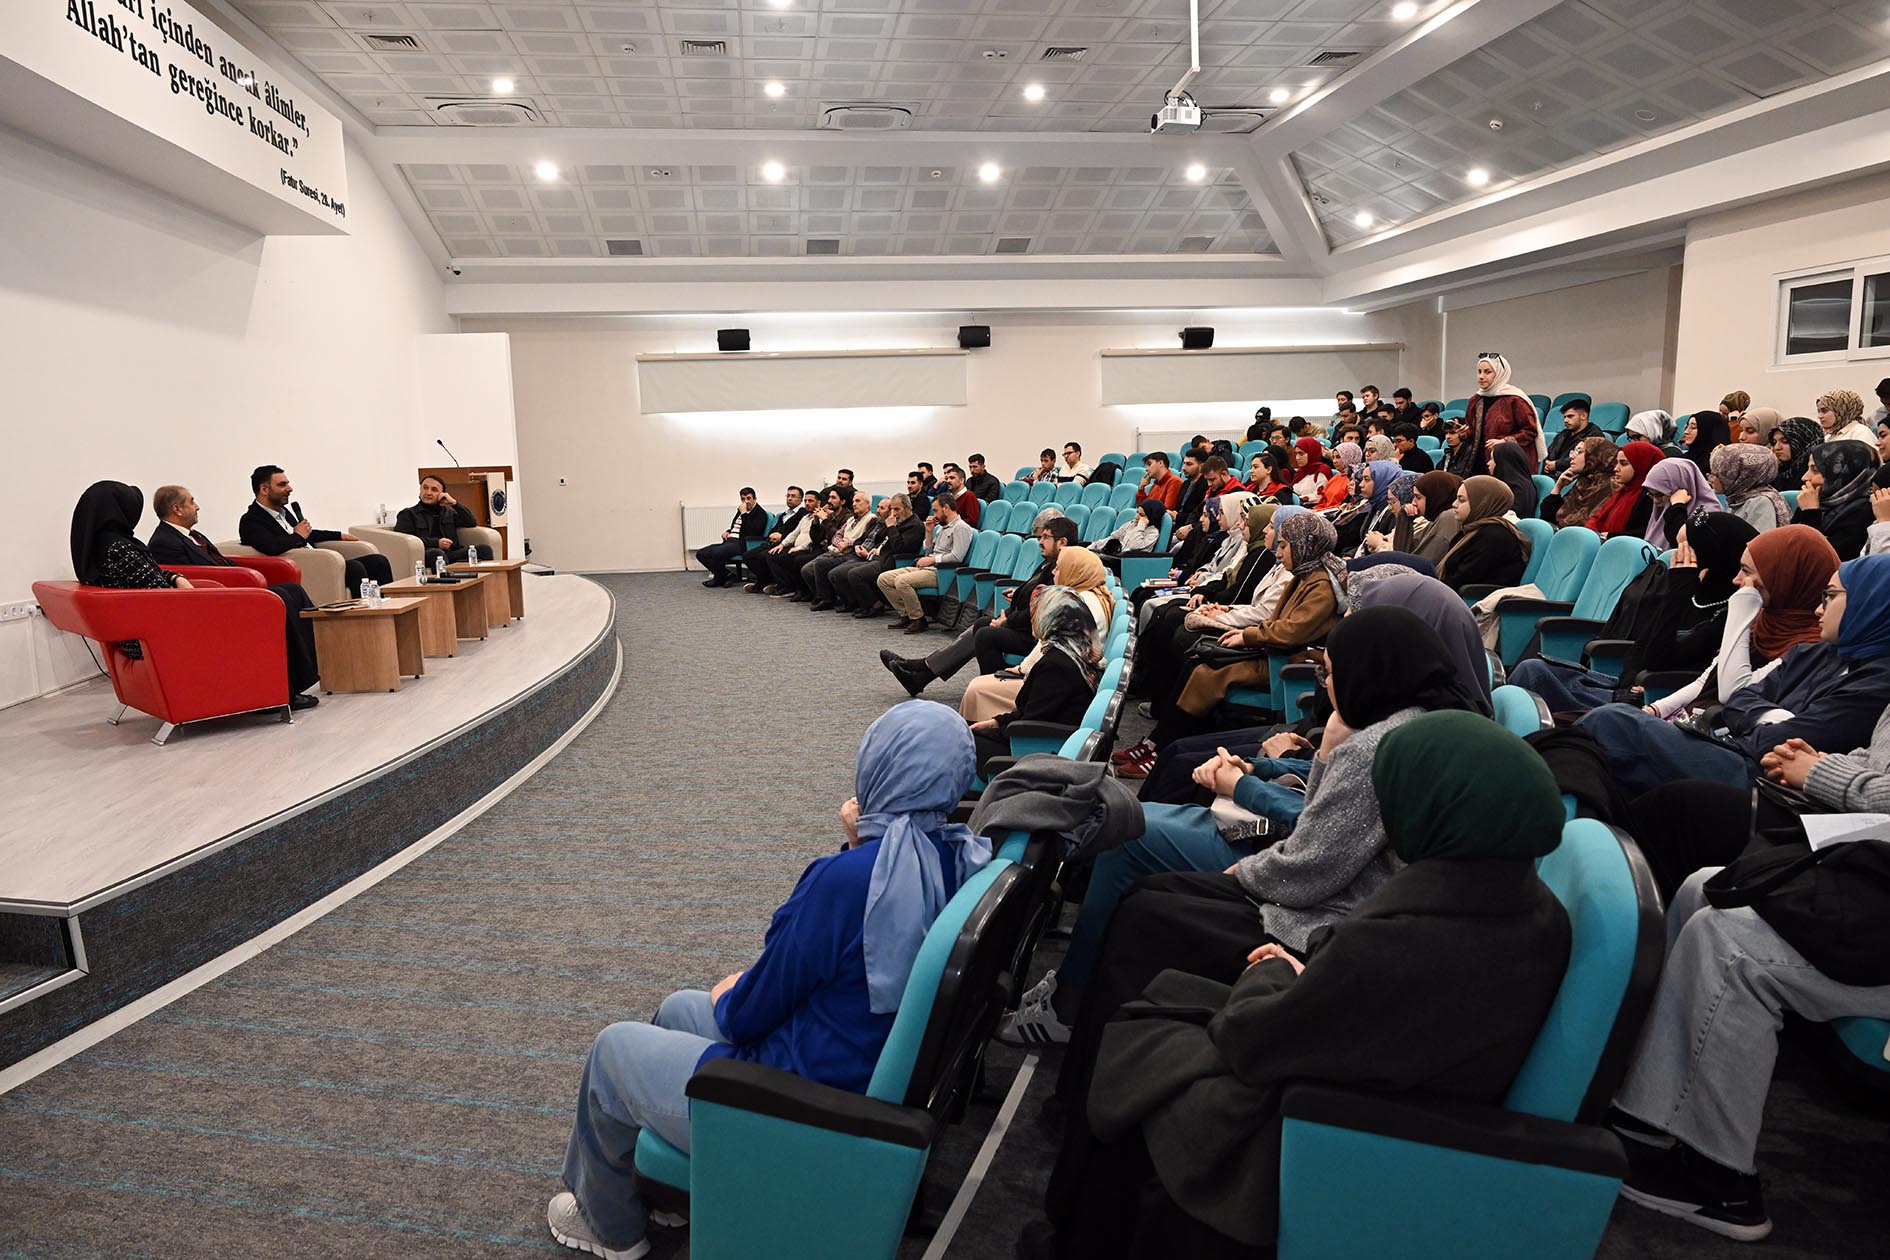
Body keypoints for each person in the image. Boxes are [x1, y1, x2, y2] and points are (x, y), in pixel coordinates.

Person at [1021, 711, 1570, 1260]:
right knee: (1166, 992)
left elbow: (1251, 1042)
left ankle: (1075, 1239)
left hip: (1328, 1122)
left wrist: (1275, 970)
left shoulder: (1405, 934)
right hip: (1390, 1092)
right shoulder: (1533, 907)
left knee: (1139, 1033)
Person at [548, 701, 988, 1260]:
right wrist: (862, 844)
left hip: (799, 1099)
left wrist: (731, 993)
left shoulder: (848, 881)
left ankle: (608, 1227)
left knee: (614, 1050)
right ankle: (676, 1189)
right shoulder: (956, 857)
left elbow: (748, 1013)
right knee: (677, 1008)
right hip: (856, 1064)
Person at [1020, 605, 1484, 1045]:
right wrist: (1263, 772)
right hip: (1313, 863)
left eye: (1330, 672)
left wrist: (1254, 792)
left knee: (1131, 835)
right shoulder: (1411, 720)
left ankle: (1069, 1005)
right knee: (1143, 816)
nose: (1324, 684)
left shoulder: (1378, 745)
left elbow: (1314, 856)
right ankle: (1073, 983)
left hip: (1322, 896)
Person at [1611, 705, 1890, 1241]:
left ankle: (1719, 1181)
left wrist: (1823, 774)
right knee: (1704, 885)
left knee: (1732, 942)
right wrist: (1818, 760)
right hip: (1873, 867)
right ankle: (1646, 1108)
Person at [1575, 554, 1890, 797]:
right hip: (1724, 741)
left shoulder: (1878, 680)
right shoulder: (1816, 652)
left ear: (1870, 604)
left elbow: (1771, 733)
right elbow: (1738, 698)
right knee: (1548, 683)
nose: (1739, 582)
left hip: (1759, 776)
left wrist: (1741, 610)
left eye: (1830, 597)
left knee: (1610, 723)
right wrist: (1777, 716)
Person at [1509, 512, 1757, 715]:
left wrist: (1677, 593)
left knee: (1537, 682)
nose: (1677, 557)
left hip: (1656, 700)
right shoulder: (1693, 588)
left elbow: (1658, 658)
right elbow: (1639, 647)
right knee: (1532, 669)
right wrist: (1629, 681)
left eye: (1686, 549)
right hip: (1626, 689)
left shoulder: (1728, 610)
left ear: (1711, 553)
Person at [1145, 512, 1344, 751]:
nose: (1278, 553)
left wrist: (1246, 635)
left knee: (1205, 672)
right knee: (1196, 659)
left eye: (1283, 546)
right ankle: (1162, 741)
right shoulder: (1305, 574)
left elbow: (1292, 631)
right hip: (1272, 651)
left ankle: (1165, 746)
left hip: (1282, 662)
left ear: (1304, 546)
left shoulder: (1320, 586)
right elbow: (1276, 620)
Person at [145, 484, 322, 704]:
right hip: (219, 601)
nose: (197, 506)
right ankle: (289, 687)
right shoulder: (164, 542)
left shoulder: (193, 535)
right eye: (191, 501)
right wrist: (240, 579)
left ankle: (317, 662)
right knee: (281, 598)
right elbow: (188, 579)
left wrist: (243, 573)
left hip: (233, 590)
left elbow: (221, 563)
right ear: (177, 509)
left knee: (292, 589)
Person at [880, 513, 1080, 694]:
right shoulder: (1050, 562)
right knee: (982, 624)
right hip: (1024, 624)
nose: (1040, 542)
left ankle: (991, 690)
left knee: (986, 634)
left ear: (1062, 542)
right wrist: (1015, 599)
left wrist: (1006, 621)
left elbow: (1042, 609)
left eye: (1045, 537)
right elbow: (1033, 594)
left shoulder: (1063, 568)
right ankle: (922, 674)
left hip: (1037, 636)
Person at [959, 547, 1114, 724]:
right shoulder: (1084, 596)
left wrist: (1023, 668)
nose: (1054, 571)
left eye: (1059, 567)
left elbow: (1053, 646)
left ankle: (972, 735)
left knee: (977, 689)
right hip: (1062, 676)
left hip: (1058, 683)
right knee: (983, 636)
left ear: (1074, 570)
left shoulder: (1077, 604)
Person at [967, 588, 1100, 775]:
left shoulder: (1056, 666)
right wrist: (996, 722)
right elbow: (1032, 714)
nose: (1032, 619)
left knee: (951, 739)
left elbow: (1030, 725)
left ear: (1052, 619)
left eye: (1036, 613)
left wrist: (992, 730)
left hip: (1033, 755)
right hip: (1040, 743)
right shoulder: (1077, 650)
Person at [239, 466, 393, 597]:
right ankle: (366, 620)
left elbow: (307, 533)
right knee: (354, 568)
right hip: (305, 568)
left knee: (379, 561)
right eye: (282, 485)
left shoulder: (283, 512)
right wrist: (297, 536)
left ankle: (390, 608)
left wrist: (338, 535)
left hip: (319, 561)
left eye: (288, 484)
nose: (290, 489)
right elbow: (271, 546)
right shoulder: (251, 521)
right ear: (264, 489)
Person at [876, 492, 972, 634]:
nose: (934, 514)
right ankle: (907, 615)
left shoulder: (961, 528)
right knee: (883, 579)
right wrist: (929, 533)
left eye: (936, 510)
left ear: (946, 508)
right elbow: (928, 552)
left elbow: (957, 556)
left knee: (901, 581)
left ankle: (918, 619)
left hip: (941, 572)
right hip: (928, 568)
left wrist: (933, 560)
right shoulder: (941, 527)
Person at [1452, 354, 1540, 478]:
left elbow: (1530, 431)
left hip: (1507, 464)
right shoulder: (1475, 400)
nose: (1481, 376)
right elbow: (1473, 432)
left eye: (1487, 372)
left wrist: (1504, 442)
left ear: (1499, 374)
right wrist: (1463, 433)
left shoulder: (1515, 399)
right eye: (1479, 372)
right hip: (1478, 463)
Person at [837, 494, 924, 617]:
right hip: (880, 557)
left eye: (897, 509)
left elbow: (900, 548)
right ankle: (864, 604)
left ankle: (874, 605)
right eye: (892, 509)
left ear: (908, 508)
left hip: (894, 562)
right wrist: (877, 549)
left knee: (855, 574)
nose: (893, 513)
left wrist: (891, 528)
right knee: (846, 571)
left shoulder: (914, 525)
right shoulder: (899, 521)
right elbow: (881, 540)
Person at [1437, 476, 1528, 592]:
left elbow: (1461, 580)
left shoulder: (1494, 538)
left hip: (1472, 601)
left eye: (1461, 500)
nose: (1454, 504)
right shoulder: (1473, 529)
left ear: (1482, 503)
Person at [1793, 439, 1881, 559]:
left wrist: (1810, 512)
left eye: (1815, 470)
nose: (1805, 477)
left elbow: (1820, 558)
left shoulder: (1863, 512)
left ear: (1843, 474)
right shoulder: (1819, 501)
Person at [805, 490, 878, 610]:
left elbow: (863, 539)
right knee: (816, 565)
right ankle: (825, 598)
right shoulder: (851, 520)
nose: (854, 504)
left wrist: (847, 543)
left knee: (824, 566)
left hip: (852, 553)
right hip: (838, 550)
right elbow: (836, 536)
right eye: (853, 501)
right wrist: (841, 544)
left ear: (868, 504)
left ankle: (838, 600)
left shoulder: (871, 519)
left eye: (858, 501)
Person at [765, 488, 841, 599]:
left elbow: (814, 539)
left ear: (818, 502)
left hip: (810, 548)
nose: (807, 503)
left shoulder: (822, 516)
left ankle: (799, 589)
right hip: (797, 547)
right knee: (772, 554)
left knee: (794, 558)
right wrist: (782, 544)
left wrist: (799, 547)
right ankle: (785, 585)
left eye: (810, 501)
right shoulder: (805, 517)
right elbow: (794, 533)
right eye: (805, 501)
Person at [1586, 440, 1664, 539]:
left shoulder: (1652, 496)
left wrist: (1610, 536)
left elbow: (1650, 531)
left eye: (1623, 463)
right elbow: (1598, 518)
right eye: (1617, 463)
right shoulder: (1624, 491)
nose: (1616, 468)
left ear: (1641, 465)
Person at [1642, 457, 1723, 549]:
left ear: (1682, 487)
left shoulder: (1709, 513)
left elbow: (1681, 544)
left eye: (1659, 494)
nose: (1655, 501)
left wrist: (1677, 506)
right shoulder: (1663, 508)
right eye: (1651, 494)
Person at [694, 486, 768, 587]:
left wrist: (744, 513)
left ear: (755, 499)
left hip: (742, 543)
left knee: (717, 553)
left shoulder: (760, 513)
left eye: (749, 498)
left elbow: (752, 531)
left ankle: (719, 579)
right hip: (730, 540)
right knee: (701, 553)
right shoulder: (741, 511)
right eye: (743, 499)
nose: (746, 501)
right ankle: (727, 575)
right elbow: (736, 526)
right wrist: (728, 531)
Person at [1541, 434, 1621, 528]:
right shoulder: (1584, 482)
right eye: (1573, 451)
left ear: (1594, 457)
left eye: (1579, 452)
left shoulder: (1613, 488)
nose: (1571, 457)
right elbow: (1547, 519)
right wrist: (1558, 488)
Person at [1709, 443, 1788, 532]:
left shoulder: (1761, 504)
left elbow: (1760, 543)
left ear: (1738, 475)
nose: (1711, 479)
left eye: (1717, 474)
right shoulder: (1736, 497)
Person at [740, 487, 806, 590]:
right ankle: (764, 580)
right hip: (772, 543)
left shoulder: (802, 513)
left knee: (764, 556)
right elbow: (774, 529)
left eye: (793, 496)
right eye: (788, 495)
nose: (789, 498)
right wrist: (772, 535)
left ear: (801, 500)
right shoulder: (784, 515)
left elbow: (797, 531)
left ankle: (783, 585)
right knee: (748, 556)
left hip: (788, 543)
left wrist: (781, 536)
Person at [1769, 416, 1822, 491]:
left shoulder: (1816, 476)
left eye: (1785, 441)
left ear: (1803, 441)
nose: (1777, 447)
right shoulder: (1777, 471)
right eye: (1774, 442)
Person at [1490, 441, 1540, 520]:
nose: (1488, 463)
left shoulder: (1519, 491)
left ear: (1503, 463)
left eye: (1492, 459)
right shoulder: (1507, 485)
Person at [1543, 397, 1593, 475]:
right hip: (1552, 475)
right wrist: (1546, 463)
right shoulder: (1563, 434)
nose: (1565, 420)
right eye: (1565, 417)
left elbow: (1585, 461)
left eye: (1570, 416)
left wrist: (1556, 465)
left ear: (1583, 416)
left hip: (1573, 478)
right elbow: (1548, 453)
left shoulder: (1594, 436)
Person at [1680, 410, 1732, 476]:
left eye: (1693, 427)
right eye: (1687, 427)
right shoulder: (1684, 459)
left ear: (1706, 431)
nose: (1686, 432)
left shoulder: (1720, 465)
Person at [935, 463, 982, 528]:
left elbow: (972, 521)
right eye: (947, 478)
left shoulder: (969, 496)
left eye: (952, 478)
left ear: (961, 480)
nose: (948, 481)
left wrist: (950, 522)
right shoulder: (948, 497)